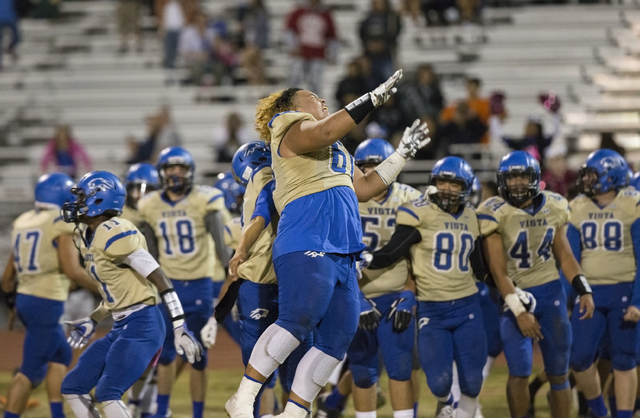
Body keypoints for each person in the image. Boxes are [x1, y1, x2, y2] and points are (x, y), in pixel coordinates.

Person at [225, 69, 430, 418]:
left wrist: (402, 153)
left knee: (336, 339)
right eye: (311, 97)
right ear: (290, 107)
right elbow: (325, 129)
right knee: (298, 318)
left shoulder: (335, 150)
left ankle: (295, 412)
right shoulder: (288, 128)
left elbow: (366, 187)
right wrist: (372, 99)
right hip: (307, 237)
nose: (321, 100)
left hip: (343, 250)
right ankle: (243, 397)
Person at [58, 171, 202, 418]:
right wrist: (93, 319)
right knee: (73, 386)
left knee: (108, 391)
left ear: (99, 200)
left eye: (82, 197)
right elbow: (117, 291)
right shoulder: (87, 237)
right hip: (121, 325)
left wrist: (179, 326)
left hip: (144, 324)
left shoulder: (116, 231)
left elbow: (160, 279)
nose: (77, 203)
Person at [363, 157, 488, 418]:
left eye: (454, 184)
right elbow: (393, 252)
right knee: (439, 383)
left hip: (468, 305)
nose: (447, 188)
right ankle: (445, 402)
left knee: (473, 382)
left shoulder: (471, 216)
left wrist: (506, 289)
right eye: (442, 181)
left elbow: (479, 266)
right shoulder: (418, 211)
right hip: (433, 308)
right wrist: (368, 259)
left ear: (465, 187)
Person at [477, 151, 595, 418]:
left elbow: (565, 254)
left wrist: (583, 289)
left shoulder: (554, 205)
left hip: (550, 293)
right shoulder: (493, 211)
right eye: (512, 177)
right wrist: (519, 311)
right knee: (519, 371)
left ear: (535, 178)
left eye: (522, 176)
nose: (517, 183)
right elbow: (498, 272)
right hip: (514, 295)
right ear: (502, 180)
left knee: (559, 373)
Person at [137, 147, 232, 418]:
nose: (175, 173)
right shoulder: (150, 205)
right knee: (166, 354)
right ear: (162, 172)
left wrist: (229, 277)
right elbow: (151, 254)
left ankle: (198, 413)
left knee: (198, 356)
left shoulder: (205, 199)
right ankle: (162, 411)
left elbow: (222, 248)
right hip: (169, 286)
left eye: (181, 168)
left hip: (200, 284)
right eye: (170, 168)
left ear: (190, 171)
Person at [334, 138, 422, 418]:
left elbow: (419, 255)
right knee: (362, 370)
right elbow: (336, 255)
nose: (372, 174)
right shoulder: (345, 196)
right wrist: (355, 298)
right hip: (356, 296)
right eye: (365, 168)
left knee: (400, 367)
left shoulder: (409, 197)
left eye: (378, 167)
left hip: (395, 295)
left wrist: (409, 292)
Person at [0, 173, 97, 418]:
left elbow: (7, 277)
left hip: (27, 298)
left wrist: (13, 305)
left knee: (61, 354)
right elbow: (72, 270)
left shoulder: (24, 220)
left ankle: (57, 414)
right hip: (46, 300)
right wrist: (104, 288)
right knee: (30, 373)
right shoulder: (58, 222)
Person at [568, 149, 640, 418]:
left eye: (592, 174)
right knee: (578, 357)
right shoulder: (577, 207)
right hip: (589, 293)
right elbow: (570, 260)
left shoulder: (632, 203)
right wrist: (569, 297)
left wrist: (638, 300)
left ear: (612, 176)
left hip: (623, 288)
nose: (586, 180)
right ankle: (600, 411)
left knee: (624, 359)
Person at [285, 0, 338, 97]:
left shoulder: (325, 15)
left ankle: (314, 104)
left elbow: (332, 36)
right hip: (300, 53)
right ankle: (292, 102)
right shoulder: (298, 12)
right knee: (295, 80)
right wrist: (292, 47)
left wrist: (333, 53)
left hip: (318, 54)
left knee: (315, 82)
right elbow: (290, 31)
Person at [359, 0, 401, 86]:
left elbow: (394, 33)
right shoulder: (368, 19)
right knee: (371, 84)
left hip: (386, 56)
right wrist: (369, 46)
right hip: (370, 57)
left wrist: (383, 44)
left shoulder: (390, 19)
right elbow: (362, 34)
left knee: (388, 82)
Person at [121, 163, 161, 228]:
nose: (139, 195)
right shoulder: (121, 215)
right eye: (135, 190)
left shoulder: (161, 212)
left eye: (146, 191)